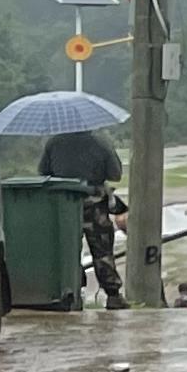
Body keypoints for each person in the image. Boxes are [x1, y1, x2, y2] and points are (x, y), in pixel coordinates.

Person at [36, 124, 127, 310]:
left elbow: (42, 172)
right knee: (102, 251)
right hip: (94, 205)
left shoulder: (54, 142)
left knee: (66, 251)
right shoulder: (101, 143)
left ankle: (71, 292)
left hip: (63, 205)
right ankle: (113, 295)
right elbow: (115, 174)